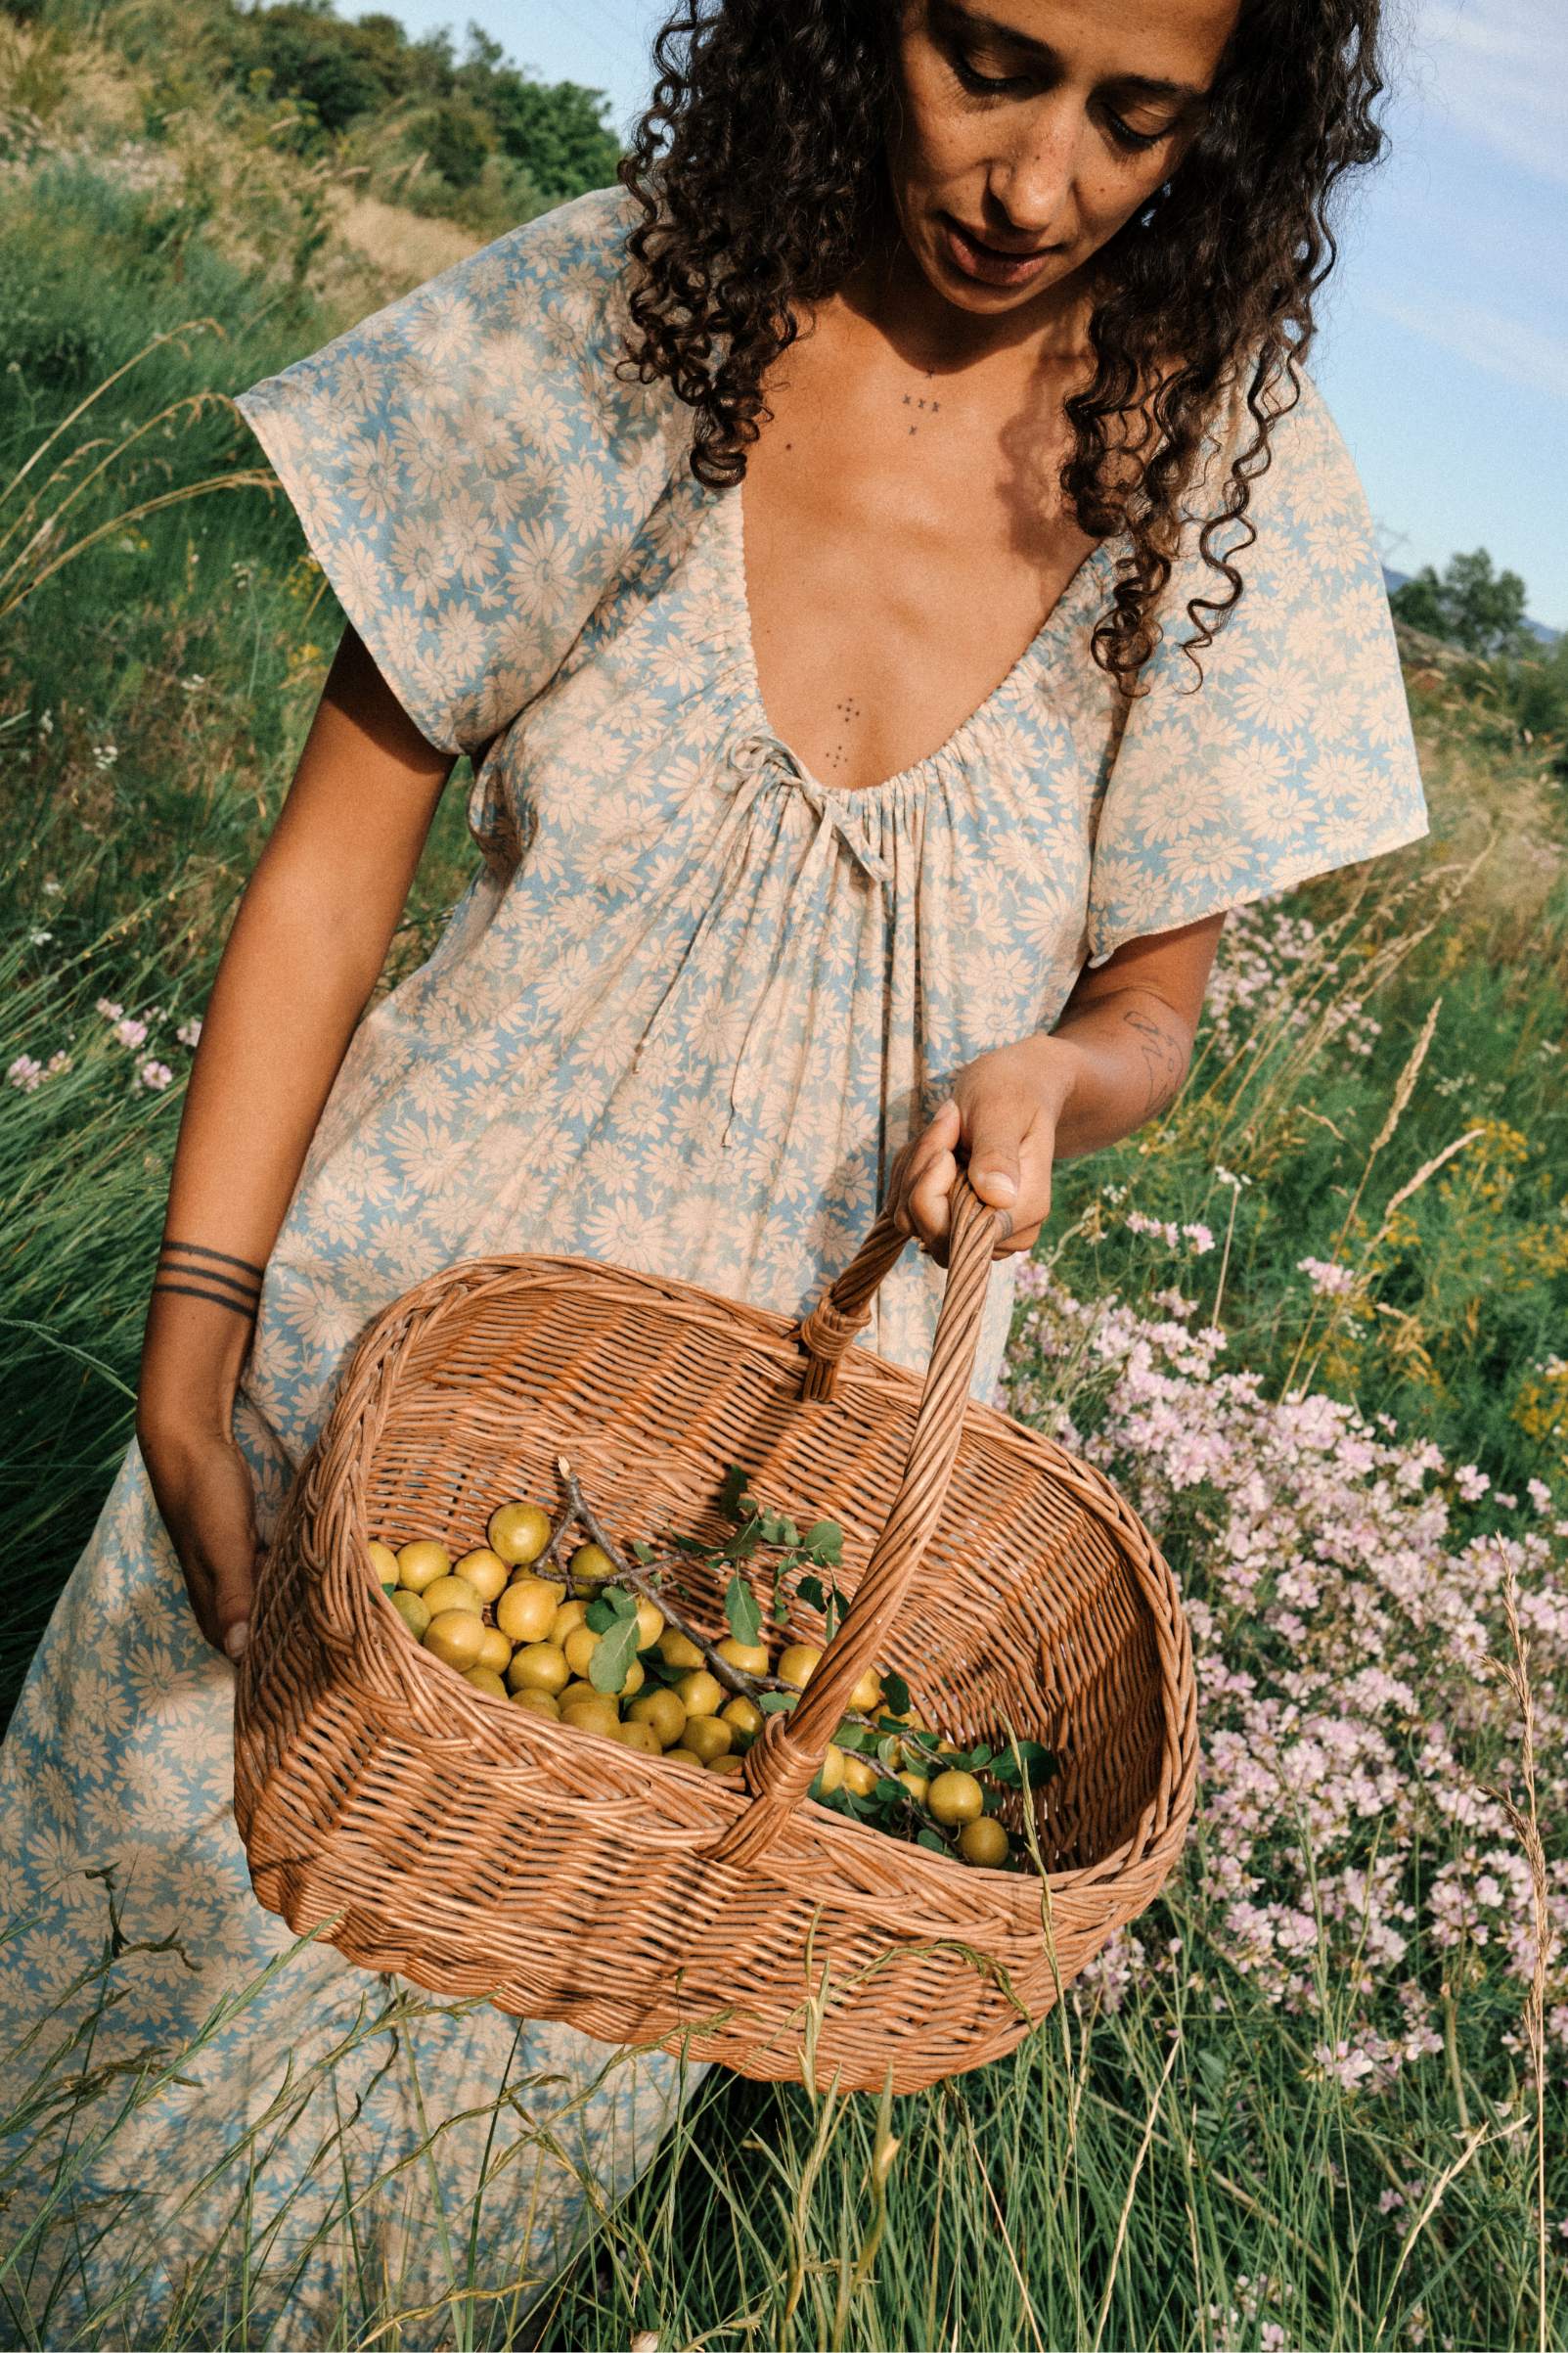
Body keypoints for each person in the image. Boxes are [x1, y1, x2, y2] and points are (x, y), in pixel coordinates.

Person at [0, 0, 1429, 2337]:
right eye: (989, 58)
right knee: (97, 2014)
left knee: (414, 2178)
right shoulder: (627, 309)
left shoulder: (1220, 472)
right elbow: (328, 872)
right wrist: (194, 1339)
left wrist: (1063, 1077)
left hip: (762, 1519)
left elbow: (1150, 1012)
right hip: (358, 1372)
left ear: (1228, 125)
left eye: (1134, 117)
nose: (1038, 181)